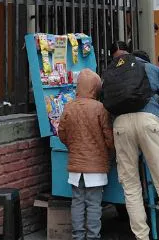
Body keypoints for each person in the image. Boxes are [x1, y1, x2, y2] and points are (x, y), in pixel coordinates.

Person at [108, 45, 159, 240]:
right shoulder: (153, 69)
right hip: (149, 121)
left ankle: (141, 237)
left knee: (131, 187)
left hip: (120, 125)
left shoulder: (112, 73)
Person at [57, 69, 114, 240]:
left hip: (76, 166)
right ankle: (93, 236)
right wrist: (110, 151)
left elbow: (62, 133)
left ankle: (78, 236)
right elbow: (109, 138)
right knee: (94, 205)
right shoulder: (100, 109)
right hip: (96, 166)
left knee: (77, 202)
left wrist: (73, 146)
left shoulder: (69, 107)